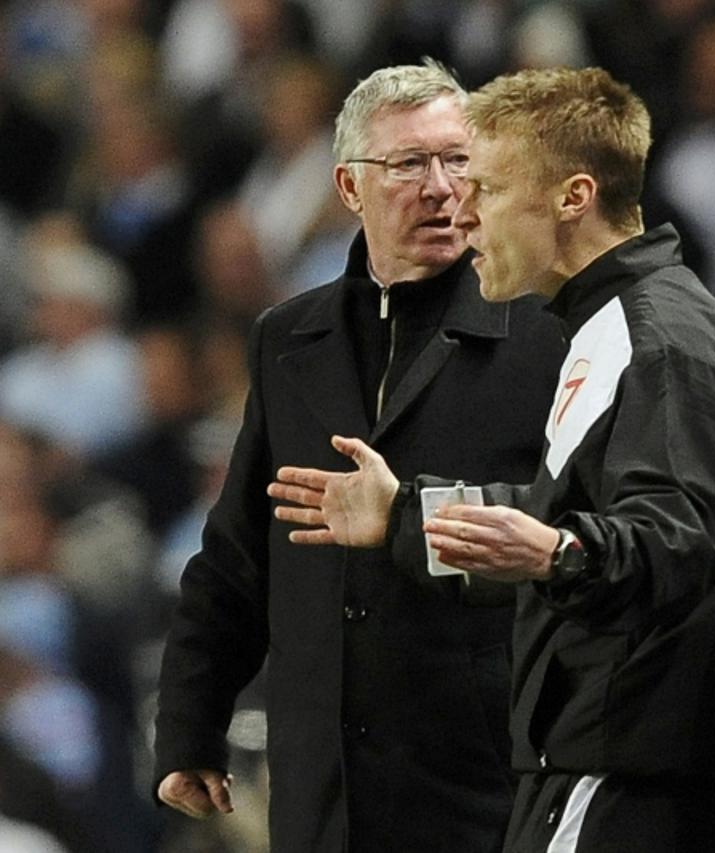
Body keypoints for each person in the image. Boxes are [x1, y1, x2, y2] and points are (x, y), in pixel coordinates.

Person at [268, 66, 715, 853]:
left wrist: (559, 555)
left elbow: (674, 542)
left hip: (640, 772)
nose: (464, 208)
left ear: (572, 196)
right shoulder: (611, 324)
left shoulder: (657, 338)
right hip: (615, 761)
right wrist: (406, 516)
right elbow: (575, 516)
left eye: (486, 186)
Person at [152, 61, 564, 853]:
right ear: (349, 187)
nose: (442, 187)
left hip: (483, 786)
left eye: (458, 160)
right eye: (409, 164)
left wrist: (408, 513)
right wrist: (189, 726)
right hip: (323, 791)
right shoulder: (287, 338)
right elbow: (238, 557)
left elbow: (571, 521)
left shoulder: (545, 332)